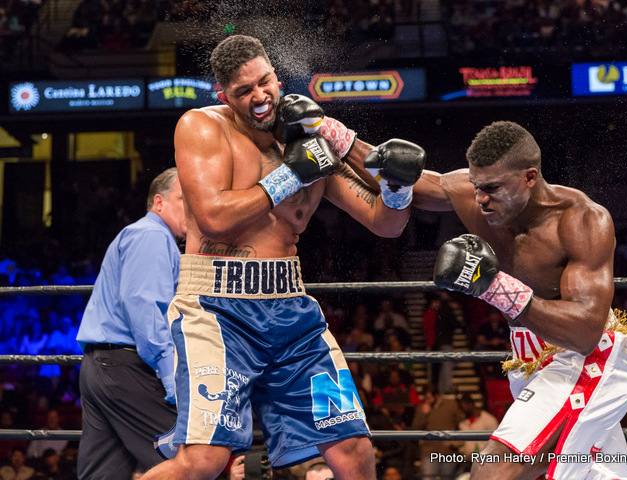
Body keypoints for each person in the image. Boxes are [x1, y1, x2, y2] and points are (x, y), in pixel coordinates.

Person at [141, 34, 425, 480]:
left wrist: (396, 186)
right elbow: (214, 217)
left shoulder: (310, 139)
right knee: (204, 461)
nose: (259, 96)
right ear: (224, 96)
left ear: (276, 74)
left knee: (353, 449)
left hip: (290, 312)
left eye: (265, 81)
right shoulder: (202, 126)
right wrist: (291, 176)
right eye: (243, 91)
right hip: (217, 310)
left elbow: (384, 223)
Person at [411, 121, 627, 479]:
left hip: (584, 358)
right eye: (476, 187)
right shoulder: (480, 192)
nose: (479, 199)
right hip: (528, 357)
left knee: (492, 470)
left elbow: (585, 332)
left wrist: (493, 286)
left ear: (530, 177)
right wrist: (329, 132)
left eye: (491, 188)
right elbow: (406, 176)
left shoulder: (581, 219)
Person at [75, 167, 187, 479]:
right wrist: (171, 380)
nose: (192, 206)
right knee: (189, 462)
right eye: (184, 198)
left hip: (102, 367)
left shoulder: (147, 236)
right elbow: (146, 311)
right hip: (126, 367)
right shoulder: (152, 236)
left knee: (102, 474)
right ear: (159, 202)